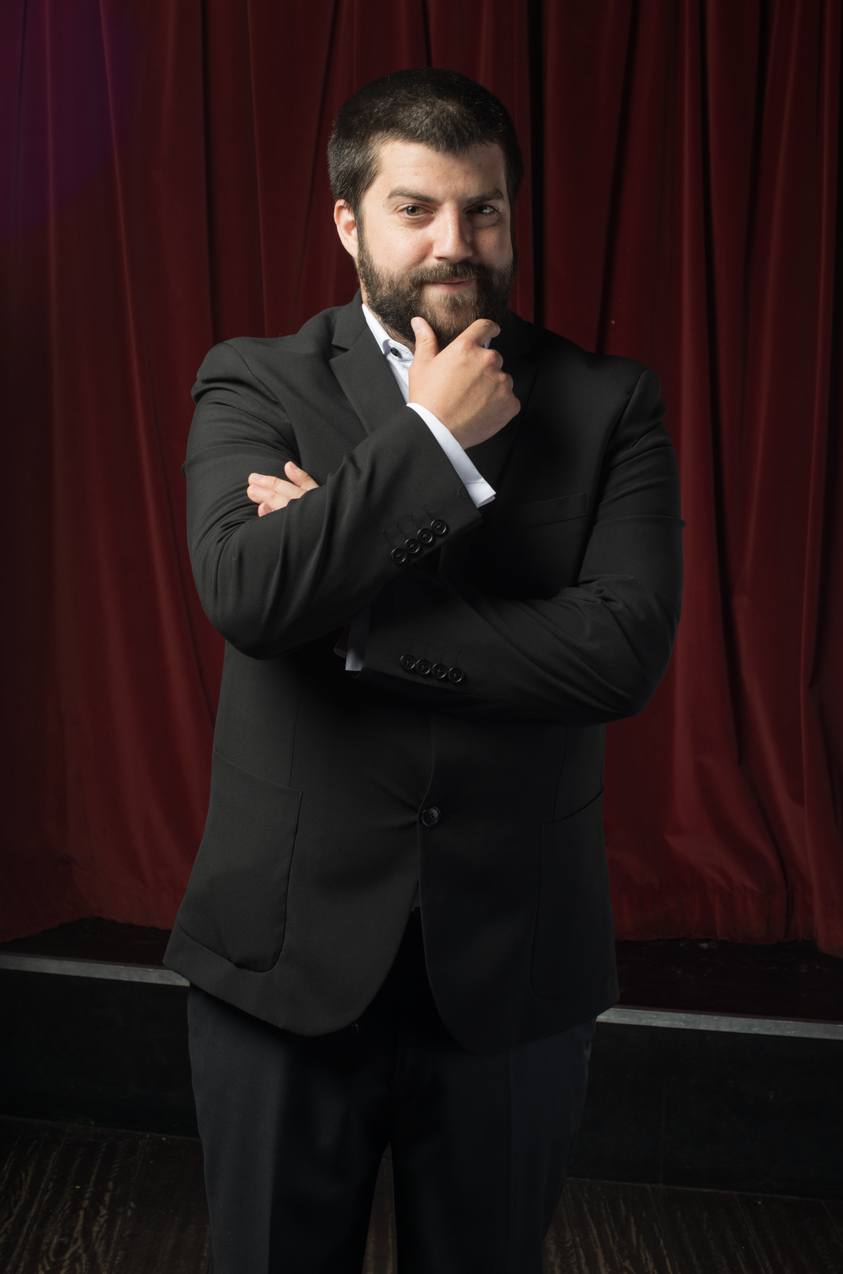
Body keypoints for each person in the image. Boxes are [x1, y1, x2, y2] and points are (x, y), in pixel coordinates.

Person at [164, 68, 683, 1273]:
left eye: (483, 210)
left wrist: (348, 621)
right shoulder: (252, 379)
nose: (456, 244)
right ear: (347, 220)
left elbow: (617, 651)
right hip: (280, 964)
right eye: (416, 210)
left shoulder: (609, 404)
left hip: (512, 968)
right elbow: (247, 592)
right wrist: (433, 438)